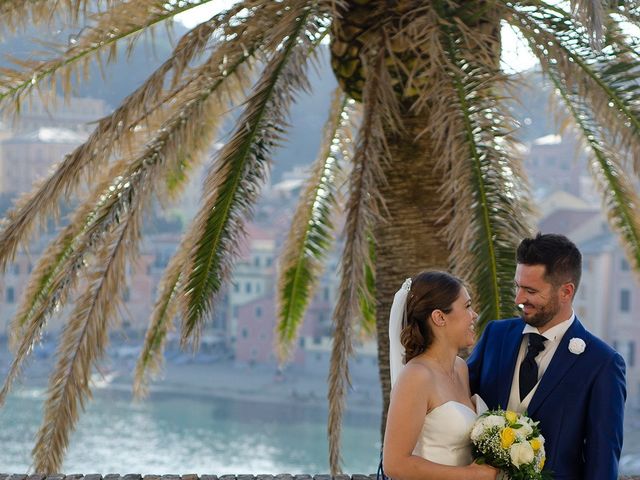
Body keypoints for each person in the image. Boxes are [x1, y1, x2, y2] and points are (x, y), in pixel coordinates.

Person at [468, 233, 626, 480]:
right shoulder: (495, 336)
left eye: (530, 290)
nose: (519, 299)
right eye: (517, 287)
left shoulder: (602, 364)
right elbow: (456, 395)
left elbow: (602, 459)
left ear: (566, 291)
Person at [382, 271, 498, 480]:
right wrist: (470, 476)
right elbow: (394, 464)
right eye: (467, 306)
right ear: (439, 317)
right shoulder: (416, 376)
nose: (474, 315)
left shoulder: (460, 369)